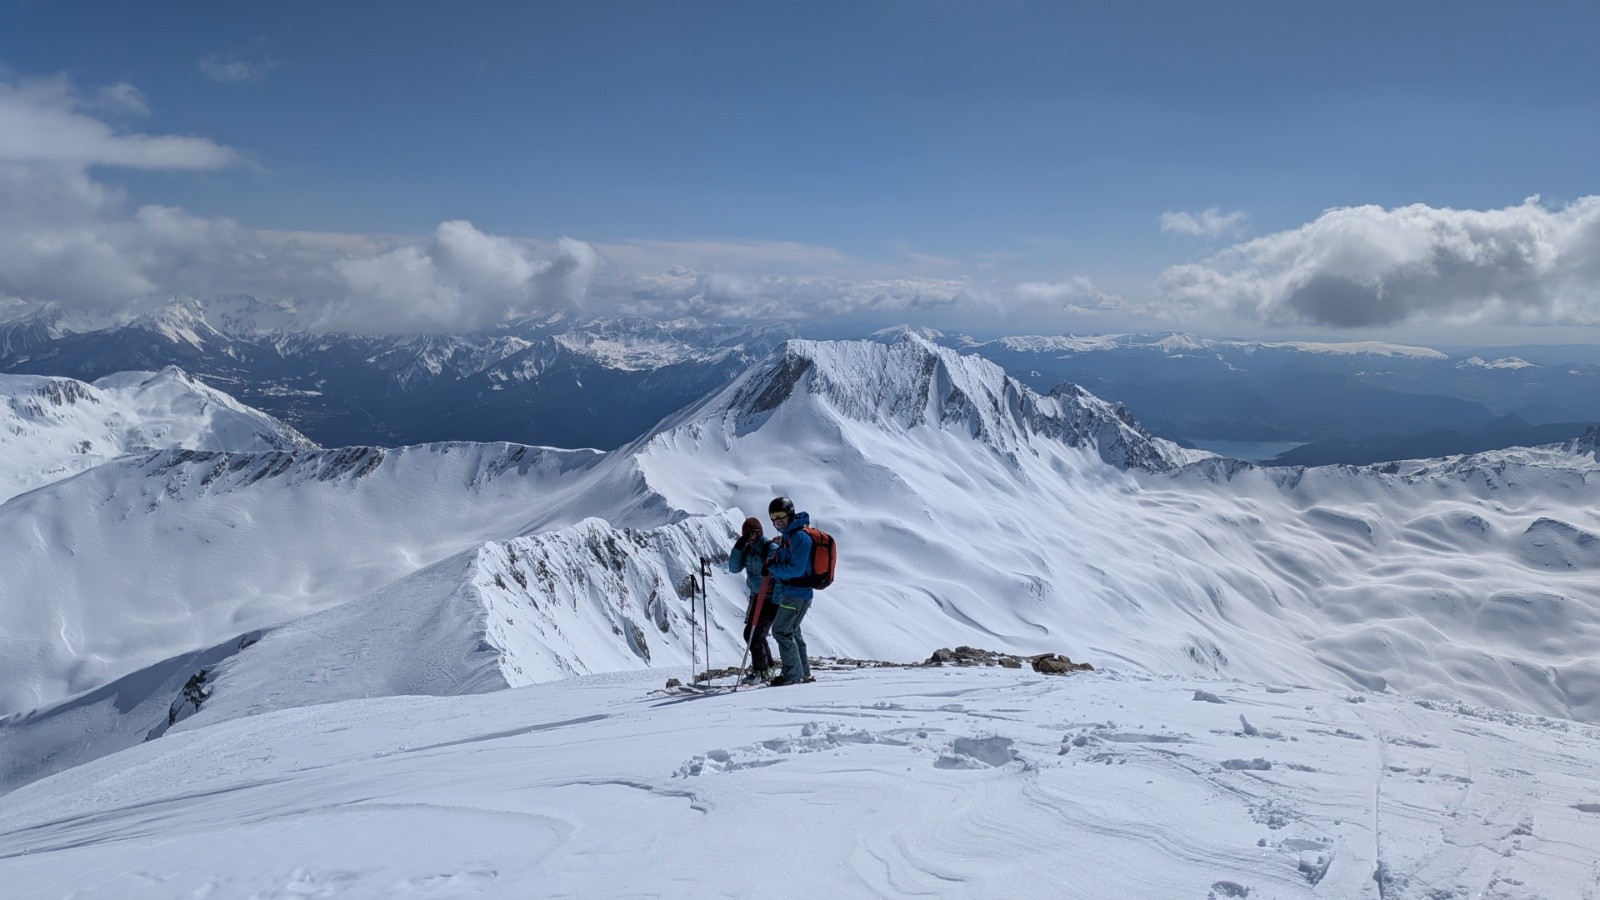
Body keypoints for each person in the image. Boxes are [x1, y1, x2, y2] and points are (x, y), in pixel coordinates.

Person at [763, 496, 816, 686]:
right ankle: (803, 673)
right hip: (792, 592)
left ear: (790, 513)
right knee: (793, 632)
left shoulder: (799, 537)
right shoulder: (789, 536)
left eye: (781, 514)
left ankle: (792, 675)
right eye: (773, 516)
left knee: (781, 631)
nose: (777, 519)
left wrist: (772, 569)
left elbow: (796, 569)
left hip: (797, 593)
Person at [727, 516, 777, 684]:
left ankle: (761, 671)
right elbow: (733, 568)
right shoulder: (747, 550)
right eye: (746, 535)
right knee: (756, 634)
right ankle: (768, 668)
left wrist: (769, 568)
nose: (749, 537)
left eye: (751, 534)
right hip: (756, 597)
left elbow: (778, 569)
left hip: (770, 598)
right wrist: (738, 547)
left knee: (754, 634)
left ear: (759, 532)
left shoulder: (770, 547)